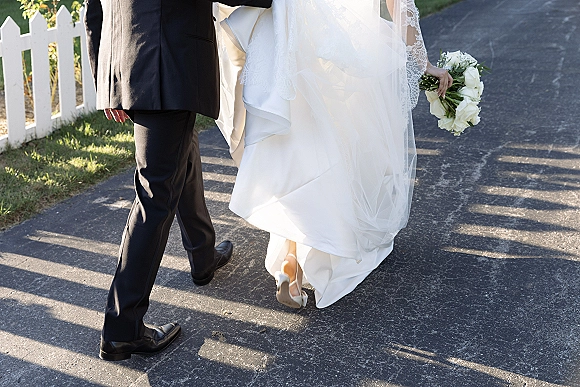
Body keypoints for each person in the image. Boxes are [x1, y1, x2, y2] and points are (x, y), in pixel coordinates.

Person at [215, 0, 452, 308]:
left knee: (295, 143)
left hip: (288, 30)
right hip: (345, 42)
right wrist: (424, 63)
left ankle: (291, 259)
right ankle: (311, 250)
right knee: (336, 145)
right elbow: (398, 3)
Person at [84, 0, 272, 361]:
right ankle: (122, 330)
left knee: (181, 152)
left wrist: (105, 73)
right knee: (156, 193)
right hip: (166, 61)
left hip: (128, 59)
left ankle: (202, 255)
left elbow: (94, 8)